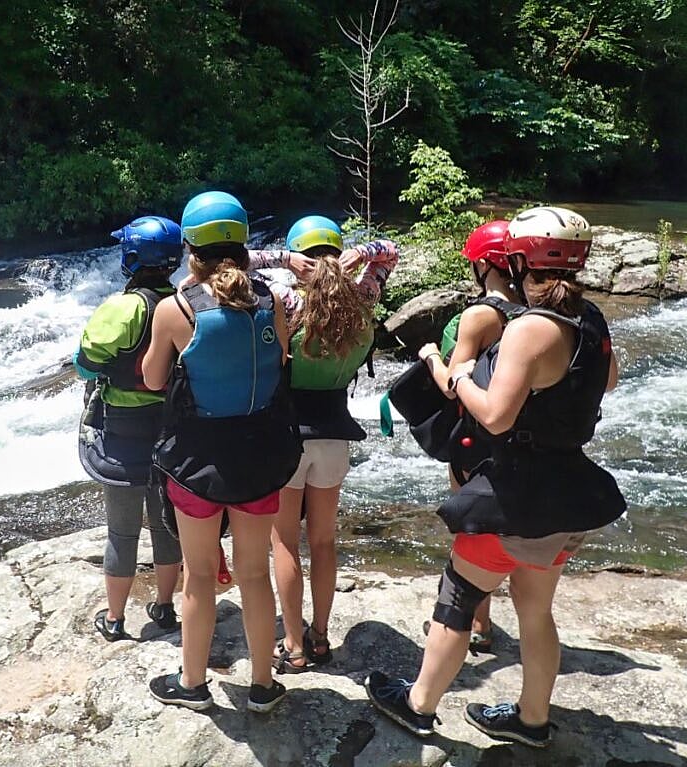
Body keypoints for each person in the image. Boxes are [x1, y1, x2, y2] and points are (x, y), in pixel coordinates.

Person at [365, 206, 626, 748]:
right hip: (568, 491)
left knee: (457, 597)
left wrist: (457, 376)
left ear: (517, 258)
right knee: (535, 611)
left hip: (516, 492)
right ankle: (532, 721)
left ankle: (418, 706)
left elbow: (495, 415)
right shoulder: (591, 317)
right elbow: (608, 382)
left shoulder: (531, 327)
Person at [144, 191, 302, 713]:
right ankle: (263, 685)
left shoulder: (175, 308)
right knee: (255, 575)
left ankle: (193, 685)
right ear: (242, 245)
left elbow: (152, 379)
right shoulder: (271, 300)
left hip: (195, 463)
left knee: (200, 576)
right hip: (258, 456)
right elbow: (279, 359)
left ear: (192, 250)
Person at [246, 216, 399, 671]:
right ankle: (320, 637)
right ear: (338, 253)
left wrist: (283, 259)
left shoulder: (286, 299)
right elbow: (391, 251)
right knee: (325, 543)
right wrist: (364, 254)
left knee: (285, 544)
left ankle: (292, 645)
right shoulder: (363, 298)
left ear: (299, 259)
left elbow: (234, 264)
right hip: (335, 437)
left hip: (287, 438)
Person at [416, 220, 524, 653]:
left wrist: (428, 358)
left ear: (484, 266)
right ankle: (483, 618)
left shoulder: (482, 314)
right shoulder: (532, 307)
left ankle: (474, 622)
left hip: (475, 436)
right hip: (517, 434)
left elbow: (452, 382)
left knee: (473, 526)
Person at [74, 216, 184, 642]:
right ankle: (165, 607)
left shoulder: (120, 309)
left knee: (122, 532)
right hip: (172, 437)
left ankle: (116, 619)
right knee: (165, 527)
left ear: (132, 258)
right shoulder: (185, 305)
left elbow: (85, 362)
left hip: (121, 436)